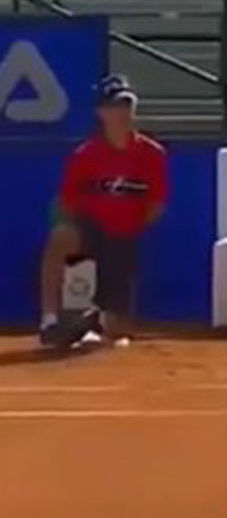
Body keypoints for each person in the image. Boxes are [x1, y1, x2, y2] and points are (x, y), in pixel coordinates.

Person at [38, 75, 167, 348]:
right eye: (115, 106)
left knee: (117, 333)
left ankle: (92, 319)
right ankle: (50, 320)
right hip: (91, 228)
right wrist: (77, 227)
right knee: (60, 237)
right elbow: (66, 204)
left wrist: (127, 231)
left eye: (127, 105)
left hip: (124, 235)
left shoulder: (153, 154)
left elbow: (155, 206)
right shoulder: (85, 154)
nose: (122, 113)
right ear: (101, 113)